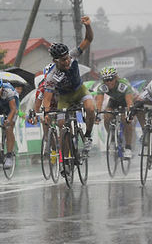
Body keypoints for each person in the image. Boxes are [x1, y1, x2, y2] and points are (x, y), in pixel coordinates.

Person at [42, 16, 95, 153]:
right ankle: (67, 158)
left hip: (80, 90)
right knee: (61, 125)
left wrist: (88, 26)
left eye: (67, 59)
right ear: (55, 61)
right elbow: (47, 98)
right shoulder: (51, 76)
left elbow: (88, 40)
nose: (66, 62)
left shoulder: (73, 55)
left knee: (90, 108)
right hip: (64, 98)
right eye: (62, 60)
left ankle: (88, 135)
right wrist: (46, 112)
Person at [95, 66, 135, 158]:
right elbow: (99, 103)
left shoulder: (123, 85)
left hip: (126, 101)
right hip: (114, 101)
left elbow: (129, 103)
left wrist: (129, 114)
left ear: (116, 78)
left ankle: (128, 148)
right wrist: (97, 114)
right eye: (106, 80)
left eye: (110, 79)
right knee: (107, 116)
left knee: (126, 120)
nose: (108, 82)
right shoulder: (102, 87)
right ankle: (112, 138)